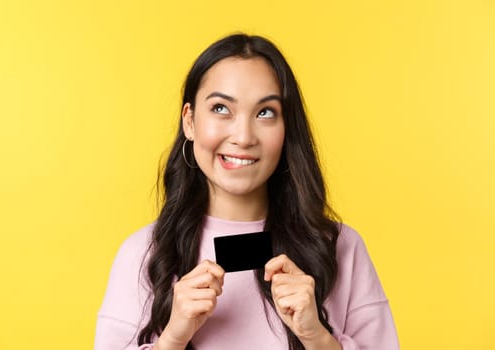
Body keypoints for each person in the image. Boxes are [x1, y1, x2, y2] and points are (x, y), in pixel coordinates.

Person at [94, 33, 399, 350]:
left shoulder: (340, 247)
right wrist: (171, 339)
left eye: (265, 112)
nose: (243, 136)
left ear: (286, 129)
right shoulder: (143, 252)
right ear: (190, 121)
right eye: (221, 108)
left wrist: (317, 338)